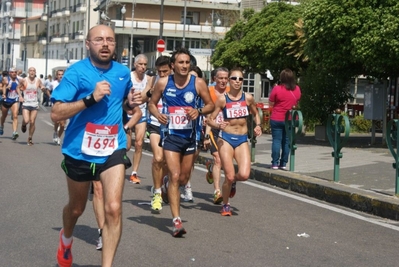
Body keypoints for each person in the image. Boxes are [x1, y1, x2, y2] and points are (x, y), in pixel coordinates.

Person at [51, 24, 142, 267]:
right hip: (79, 150)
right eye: (99, 39)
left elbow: (121, 104)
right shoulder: (76, 73)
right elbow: (56, 113)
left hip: (113, 147)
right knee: (77, 209)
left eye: (110, 40)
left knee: (113, 208)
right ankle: (66, 238)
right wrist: (90, 99)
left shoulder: (123, 73)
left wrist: (129, 102)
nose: (105, 44)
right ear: (88, 44)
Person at [148, 47, 214, 237]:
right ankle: (176, 220)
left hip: (190, 137)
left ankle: (169, 184)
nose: (185, 66)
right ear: (173, 65)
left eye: (187, 63)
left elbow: (210, 105)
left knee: (183, 178)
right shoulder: (163, 83)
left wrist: (198, 112)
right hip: (171, 137)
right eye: (181, 62)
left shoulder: (198, 83)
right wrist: (158, 114)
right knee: (176, 175)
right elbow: (151, 103)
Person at [207, 68, 262, 216]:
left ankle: (232, 182)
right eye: (234, 79)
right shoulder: (223, 99)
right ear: (229, 81)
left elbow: (256, 114)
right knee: (229, 176)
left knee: (244, 175)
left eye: (240, 79)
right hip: (225, 138)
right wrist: (218, 126)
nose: (237, 81)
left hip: (242, 139)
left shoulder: (248, 98)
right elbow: (209, 120)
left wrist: (258, 126)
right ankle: (225, 205)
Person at [142, 55, 172, 212]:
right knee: (158, 158)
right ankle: (157, 193)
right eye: (159, 71)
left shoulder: (178, 82)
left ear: (171, 69)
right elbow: (142, 98)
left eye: (165, 71)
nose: (162, 74)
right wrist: (149, 93)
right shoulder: (153, 81)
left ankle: (165, 181)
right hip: (155, 124)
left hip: (173, 127)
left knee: (168, 162)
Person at [203, 67, 230, 204]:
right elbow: (208, 115)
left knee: (227, 161)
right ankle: (217, 192)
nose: (223, 81)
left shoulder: (233, 93)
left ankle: (210, 169)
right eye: (220, 78)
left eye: (226, 78)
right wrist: (207, 136)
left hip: (229, 132)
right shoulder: (209, 92)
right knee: (218, 159)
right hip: (214, 130)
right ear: (215, 79)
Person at [269, 68, 301, 170]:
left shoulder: (277, 89)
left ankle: (274, 163)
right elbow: (298, 101)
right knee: (286, 141)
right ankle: (283, 163)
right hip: (291, 119)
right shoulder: (297, 89)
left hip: (277, 118)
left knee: (276, 141)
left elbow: (271, 102)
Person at [129, 54, 153, 184]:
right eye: (140, 64)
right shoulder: (129, 77)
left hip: (142, 114)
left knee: (139, 143)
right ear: (135, 64)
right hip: (127, 114)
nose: (143, 67)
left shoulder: (149, 79)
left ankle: (134, 172)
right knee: (127, 146)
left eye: (145, 65)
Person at [18, 67, 46, 145]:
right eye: (30, 71)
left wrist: (43, 88)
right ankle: (23, 125)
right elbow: (18, 88)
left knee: (32, 122)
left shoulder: (38, 80)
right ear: (28, 72)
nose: (32, 72)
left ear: (35, 72)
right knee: (26, 121)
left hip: (34, 104)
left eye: (33, 71)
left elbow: (41, 86)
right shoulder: (24, 80)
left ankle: (30, 138)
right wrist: (20, 96)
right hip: (26, 103)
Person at [0, 67, 22, 139]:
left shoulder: (19, 80)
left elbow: (22, 87)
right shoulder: (6, 79)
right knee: (4, 115)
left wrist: (21, 95)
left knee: (15, 115)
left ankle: (14, 132)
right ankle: (1, 125)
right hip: (6, 100)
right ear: (9, 73)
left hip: (14, 100)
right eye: (12, 72)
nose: (14, 73)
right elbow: (3, 86)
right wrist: (4, 91)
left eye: (15, 72)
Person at [52, 70, 65, 145]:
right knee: (57, 121)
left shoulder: (66, 84)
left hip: (64, 105)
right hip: (56, 105)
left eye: (62, 74)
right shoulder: (54, 83)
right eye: (59, 74)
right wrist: (50, 96)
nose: (61, 76)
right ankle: (55, 131)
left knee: (62, 124)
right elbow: (47, 89)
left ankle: (59, 137)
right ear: (57, 76)